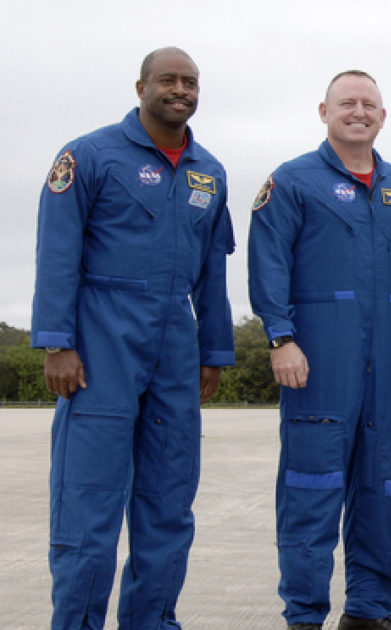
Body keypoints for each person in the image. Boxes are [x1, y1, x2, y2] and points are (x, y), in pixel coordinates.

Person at [31, 47, 235, 629]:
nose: (180, 90)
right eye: (168, 80)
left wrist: (214, 353)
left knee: (169, 507)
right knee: (88, 508)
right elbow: (56, 251)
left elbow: (212, 272)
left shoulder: (209, 172)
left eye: (190, 82)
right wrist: (56, 342)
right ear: (141, 85)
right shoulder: (89, 156)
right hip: (100, 343)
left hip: (175, 345)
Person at [248, 70, 391, 630]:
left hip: (383, 366)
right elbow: (268, 265)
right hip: (319, 360)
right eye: (347, 103)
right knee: (311, 490)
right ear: (324, 111)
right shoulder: (292, 182)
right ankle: (305, 617)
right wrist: (280, 338)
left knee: (380, 490)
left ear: (383, 116)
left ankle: (369, 612)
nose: (358, 112)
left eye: (369, 104)